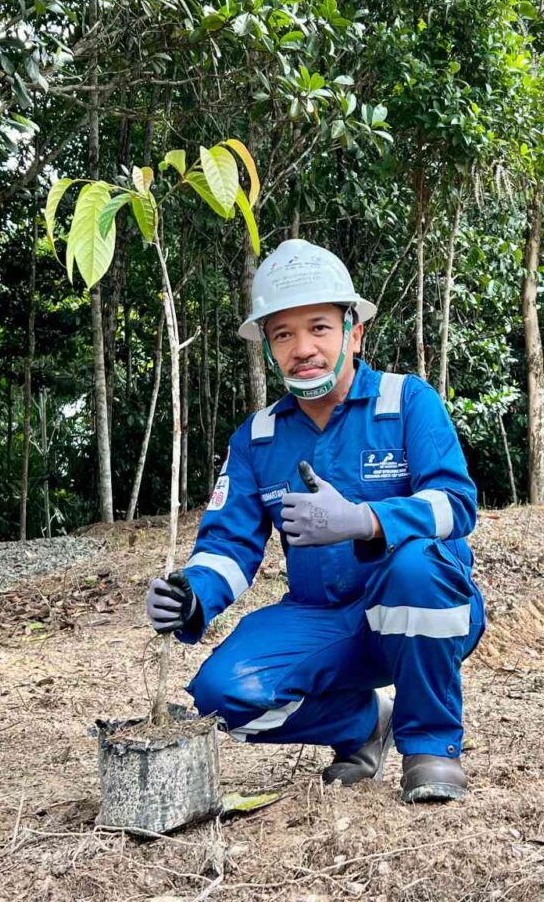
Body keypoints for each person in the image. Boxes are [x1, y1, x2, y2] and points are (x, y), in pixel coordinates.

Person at [146, 238, 485, 803]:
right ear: (269, 348)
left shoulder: (408, 402)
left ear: (353, 331)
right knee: (221, 694)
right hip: (320, 618)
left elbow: (456, 505)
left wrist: (364, 520)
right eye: (283, 334)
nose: (303, 348)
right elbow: (229, 545)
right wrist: (192, 593)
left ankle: (429, 744)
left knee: (416, 568)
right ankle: (360, 726)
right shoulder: (257, 439)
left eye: (319, 328)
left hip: (419, 607)